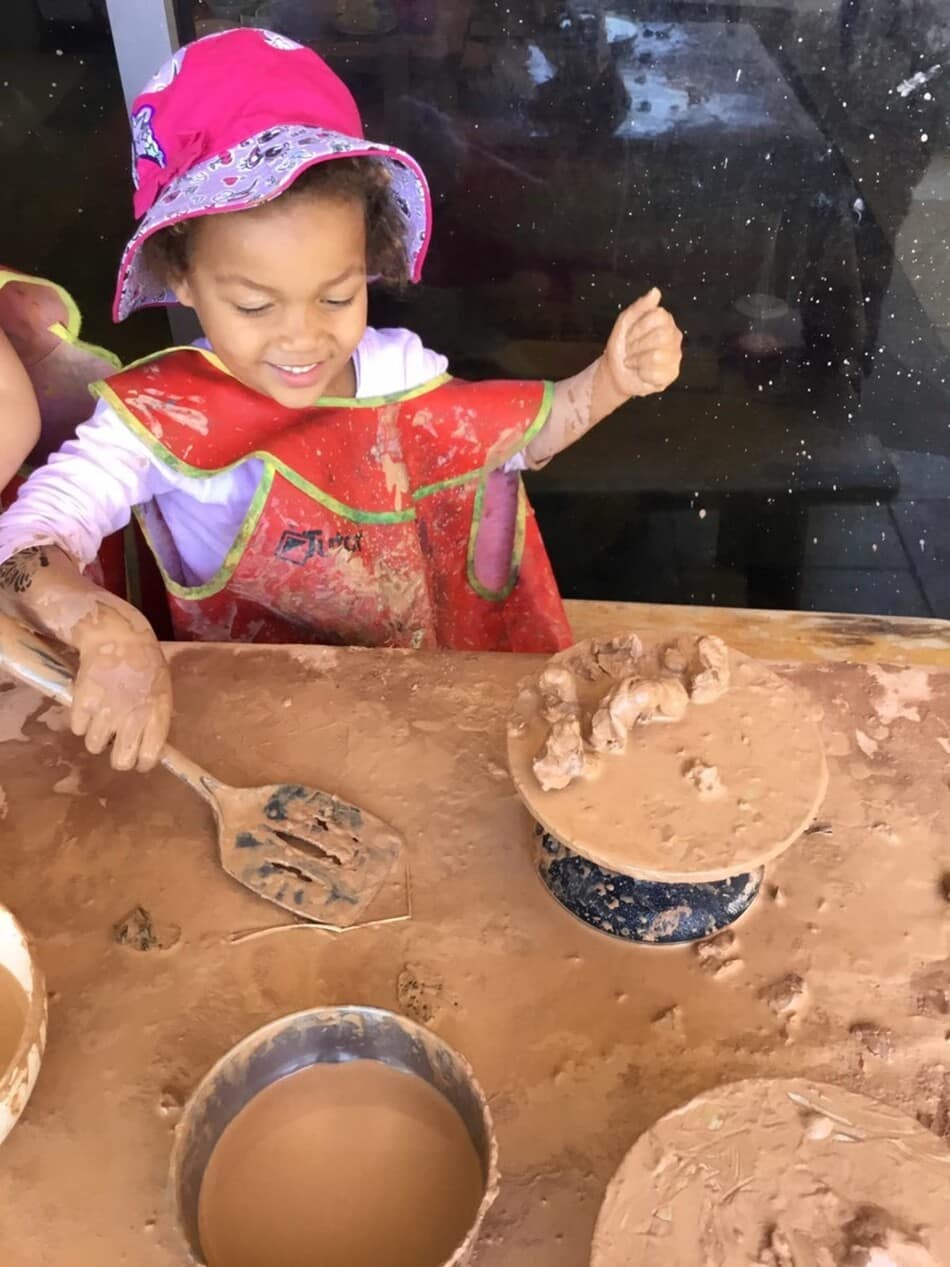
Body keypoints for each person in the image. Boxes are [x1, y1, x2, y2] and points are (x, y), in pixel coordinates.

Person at [0, 28, 682, 774]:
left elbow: (515, 439)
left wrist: (611, 381)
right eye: (256, 306)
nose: (304, 338)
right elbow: (27, 541)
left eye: (337, 294)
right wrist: (93, 622)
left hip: (408, 706)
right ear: (183, 279)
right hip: (244, 735)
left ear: (369, 263)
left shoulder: (399, 372)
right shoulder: (157, 420)